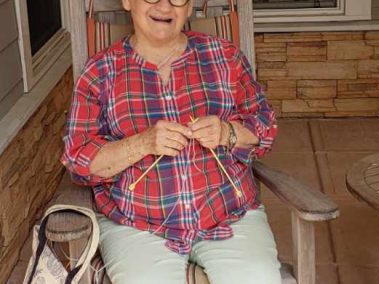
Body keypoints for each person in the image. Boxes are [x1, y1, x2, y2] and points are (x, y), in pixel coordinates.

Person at [62, 0, 280, 283]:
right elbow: (78, 162)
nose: (165, 6)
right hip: (138, 226)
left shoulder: (224, 57)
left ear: (189, 8)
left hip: (229, 215)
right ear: (128, 2)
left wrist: (228, 132)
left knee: (258, 278)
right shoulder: (100, 72)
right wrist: (143, 143)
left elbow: (266, 126)